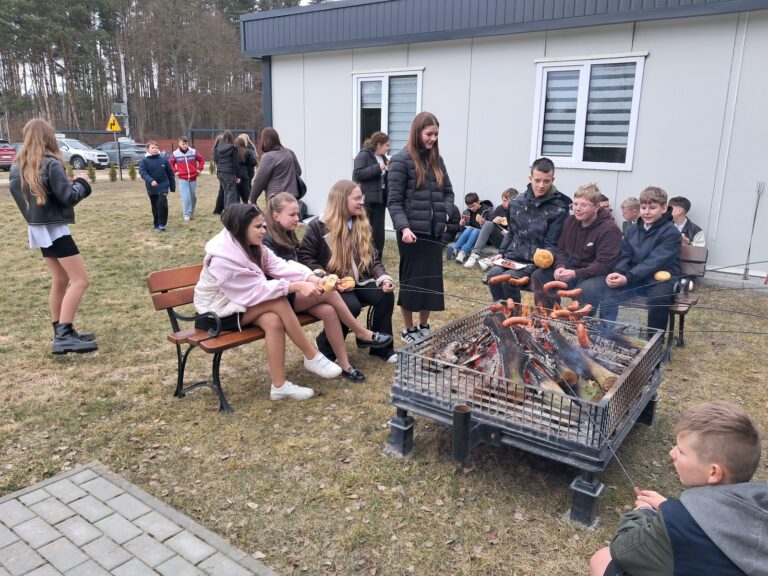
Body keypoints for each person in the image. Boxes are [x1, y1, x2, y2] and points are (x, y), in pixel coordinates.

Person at [589, 401, 767, 576]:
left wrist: (644, 512)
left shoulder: (677, 524)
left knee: (602, 558)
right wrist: (668, 507)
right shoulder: (760, 506)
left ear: (713, 472)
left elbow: (622, 550)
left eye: (681, 452)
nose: (671, 453)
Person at [193, 204, 343, 401]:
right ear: (240, 228)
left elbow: (280, 266)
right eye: (258, 227)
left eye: (264, 226)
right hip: (215, 315)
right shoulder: (223, 259)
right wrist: (297, 286)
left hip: (240, 304)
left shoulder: (251, 246)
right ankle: (311, 355)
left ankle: (279, 386)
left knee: (273, 320)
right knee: (278, 301)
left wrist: (312, 278)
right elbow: (256, 291)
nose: (264, 230)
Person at [265, 192, 394, 380]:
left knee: (331, 310)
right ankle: (360, 333)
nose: (298, 218)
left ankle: (345, 364)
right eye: (292, 215)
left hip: (306, 288)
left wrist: (382, 277)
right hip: (283, 296)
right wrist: (323, 278)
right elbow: (291, 268)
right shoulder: (274, 238)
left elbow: (372, 257)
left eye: (297, 214)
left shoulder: (288, 234)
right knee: (337, 299)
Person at [9, 118, 97, 354]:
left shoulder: (18, 166)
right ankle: (64, 334)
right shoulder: (50, 164)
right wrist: (82, 184)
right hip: (55, 229)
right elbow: (68, 197)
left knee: (60, 280)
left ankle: (61, 331)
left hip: (38, 229)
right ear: (48, 137)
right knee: (80, 281)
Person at [298, 182, 397, 364]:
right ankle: (326, 347)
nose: (362, 202)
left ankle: (381, 349)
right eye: (357, 198)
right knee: (351, 306)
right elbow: (305, 258)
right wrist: (328, 278)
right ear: (342, 201)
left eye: (362, 198)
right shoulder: (317, 226)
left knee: (385, 295)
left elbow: (373, 258)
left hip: (359, 282)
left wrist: (383, 278)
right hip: (334, 286)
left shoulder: (362, 223)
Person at [387, 111, 454, 344]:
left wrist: (444, 212)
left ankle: (424, 325)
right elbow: (393, 201)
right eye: (429, 134)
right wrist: (404, 228)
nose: (433, 138)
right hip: (411, 235)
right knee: (411, 282)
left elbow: (449, 193)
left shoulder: (438, 160)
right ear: (417, 132)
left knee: (429, 283)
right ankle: (408, 329)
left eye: (436, 134)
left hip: (434, 233)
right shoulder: (400, 161)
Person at [485, 157, 571, 304]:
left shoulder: (559, 207)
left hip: (537, 261)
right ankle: (501, 315)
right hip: (513, 256)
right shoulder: (517, 201)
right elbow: (511, 232)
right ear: (530, 178)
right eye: (537, 180)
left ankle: (516, 317)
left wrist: (543, 256)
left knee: (508, 279)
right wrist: (500, 253)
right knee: (493, 275)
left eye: (546, 181)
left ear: (553, 179)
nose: (541, 185)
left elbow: (553, 243)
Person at [600, 186, 681, 332]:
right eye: (643, 207)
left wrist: (628, 277)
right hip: (634, 279)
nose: (647, 212)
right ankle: (605, 333)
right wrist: (618, 272)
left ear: (663, 208)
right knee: (610, 290)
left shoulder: (672, 233)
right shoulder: (633, 230)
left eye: (652, 208)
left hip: (659, 279)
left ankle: (653, 342)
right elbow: (625, 255)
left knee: (659, 298)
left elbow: (655, 262)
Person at [531, 184, 622, 312]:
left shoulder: (609, 229)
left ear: (596, 207)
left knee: (586, 288)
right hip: (571, 270)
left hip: (596, 275)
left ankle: (581, 325)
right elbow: (561, 249)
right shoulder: (570, 221)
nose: (577, 209)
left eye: (584, 205)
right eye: (575, 204)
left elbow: (604, 265)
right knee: (539, 275)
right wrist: (560, 266)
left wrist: (575, 274)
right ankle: (547, 317)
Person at [352, 131, 390, 256]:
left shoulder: (383, 158)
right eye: (386, 145)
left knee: (379, 231)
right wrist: (378, 168)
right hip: (367, 199)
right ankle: (363, 254)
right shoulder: (363, 155)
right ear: (379, 145)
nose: (388, 148)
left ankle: (377, 255)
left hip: (380, 199)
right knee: (365, 228)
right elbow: (358, 174)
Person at [466, 188, 518, 270]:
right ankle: (475, 254)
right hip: (499, 239)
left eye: (505, 201)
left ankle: (489, 260)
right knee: (488, 223)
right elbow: (489, 219)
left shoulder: (519, 212)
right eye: (502, 200)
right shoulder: (500, 208)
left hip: (511, 243)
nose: (503, 202)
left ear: (513, 201)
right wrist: (493, 219)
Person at [249, 127, 302, 203]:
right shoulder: (289, 152)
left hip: (276, 200)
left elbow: (259, 181)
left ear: (264, 140)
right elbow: (298, 171)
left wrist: (252, 199)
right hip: (292, 197)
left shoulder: (268, 157)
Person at [139, 140, 176, 231]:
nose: (155, 149)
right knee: (155, 206)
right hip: (151, 187)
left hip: (163, 185)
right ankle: (156, 224)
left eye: (156, 147)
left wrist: (172, 186)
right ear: (148, 149)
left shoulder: (164, 160)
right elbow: (143, 173)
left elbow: (170, 173)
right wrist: (151, 180)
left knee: (162, 204)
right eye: (153, 148)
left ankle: (162, 224)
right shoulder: (144, 161)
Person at [169, 136, 205, 221]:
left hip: (193, 177)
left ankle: (190, 211)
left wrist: (199, 169)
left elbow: (201, 160)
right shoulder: (175, 153)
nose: (185, 145)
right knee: (186, 197)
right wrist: (176, 171)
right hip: (182, 178)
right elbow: (170, 163)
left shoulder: (193, 151)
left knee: (192, 197)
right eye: (183, 144)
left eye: (186, 143)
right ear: (179, 144)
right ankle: (186, 214)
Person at [452, 192, 493, 264]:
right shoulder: (467, 212)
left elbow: (491, 227)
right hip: (470, 236)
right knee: (469, 229)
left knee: (475, 231)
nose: (471, 208)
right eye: (469, 206)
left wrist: (484, 222)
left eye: (473, 205)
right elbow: (463, 231)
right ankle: (454, 249)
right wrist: (462, 225)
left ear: (478, 201)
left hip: (483, 239)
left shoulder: (488, 210)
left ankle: (463, 253)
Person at [213, 131, 239, 208]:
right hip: (229, 173)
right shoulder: (233, 149)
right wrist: (238, 176)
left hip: (221, 172)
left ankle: (226, 211)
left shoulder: (217, 149)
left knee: (226, 191)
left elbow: (217, 161)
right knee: (231, 192)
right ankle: (229, 212)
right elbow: (236, 164)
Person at [235, 134, 257, 204]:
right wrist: (246, 166)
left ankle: (238, 211)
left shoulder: (234, 151)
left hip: (235, 175)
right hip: (245, 175)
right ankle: (254, 210)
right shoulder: (248, 151)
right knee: (247, 195)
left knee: (237, 195)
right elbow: (254, 161)